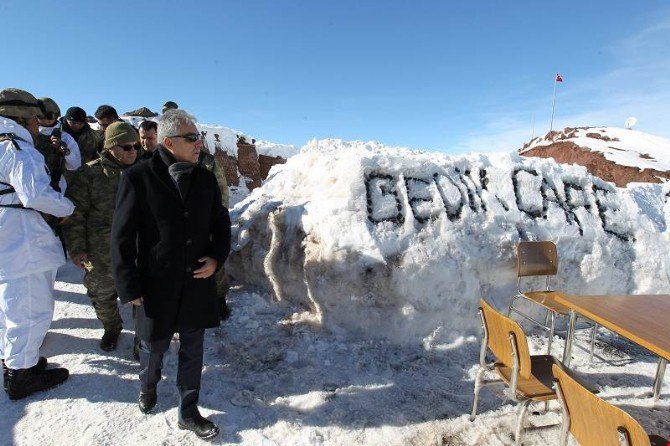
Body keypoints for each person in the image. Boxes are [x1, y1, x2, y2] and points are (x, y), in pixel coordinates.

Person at [111, 109, 230, 439]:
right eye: (191, 138)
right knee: (153, 347)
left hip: (196, 281)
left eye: (199, 137)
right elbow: (121, 237)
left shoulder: (204, 178)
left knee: (194, 349)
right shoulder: (138, 177)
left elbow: (221, 223)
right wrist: (128, 284)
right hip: (155, 285)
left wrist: (217, 258)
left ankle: (188, 410)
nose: (198, 143)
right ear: (168, 142)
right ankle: (148, 387)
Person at [0, 88, 74, 399]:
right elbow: (36, 194)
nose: (38, 126)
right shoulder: (17, 149)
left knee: (12, 304)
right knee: (31, 307)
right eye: (34, 120)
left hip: (9, 237)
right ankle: (22, 376)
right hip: (23, 241)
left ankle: (17, 359)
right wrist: (67, 207)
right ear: (22, 118)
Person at [61, 121, 140, 352]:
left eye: (136, 146)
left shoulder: (143, 171)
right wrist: (76, 248)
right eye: (126, 147)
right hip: (99, 252)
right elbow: (75, 214)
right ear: (111, 147)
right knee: (102, 294)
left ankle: (142, 339)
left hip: (137, 249)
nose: (133, 151)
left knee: (142, 295)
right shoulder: (90, 173)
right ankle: (112, 328)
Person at [198, 147, 231, 319]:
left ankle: (219, 301)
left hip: (209, 220)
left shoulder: (208, 162)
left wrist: (217, 220)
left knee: (215, 259)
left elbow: (222, 192)